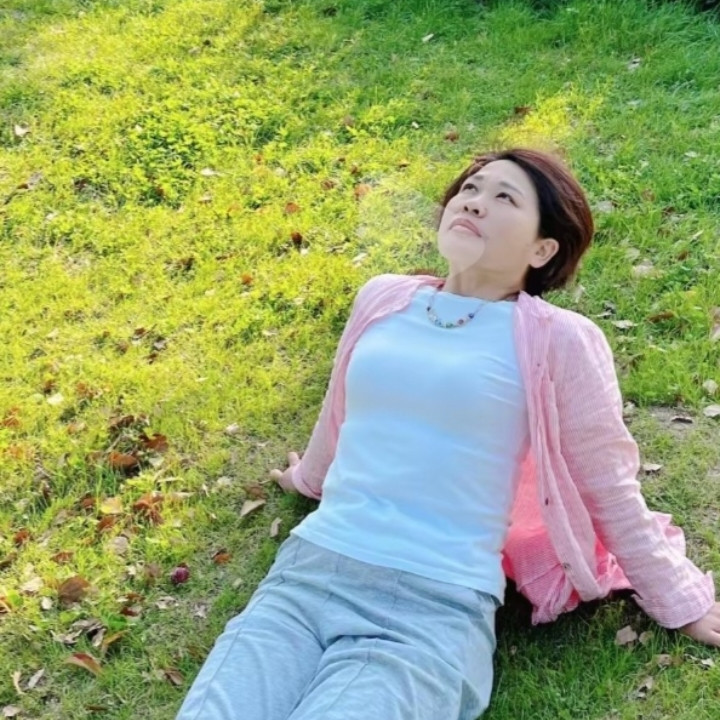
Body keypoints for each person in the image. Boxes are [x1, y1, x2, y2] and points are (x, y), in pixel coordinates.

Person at [176, 148, 720, 720]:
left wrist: (679, 600)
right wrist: (309, 478)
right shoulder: (383, 297)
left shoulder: (560, 339)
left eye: (504, 198)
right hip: (309, 572)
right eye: (470, 189)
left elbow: (608, 485)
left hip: (432, 602)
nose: (474, 202)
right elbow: (341, 410)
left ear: (542, 249)